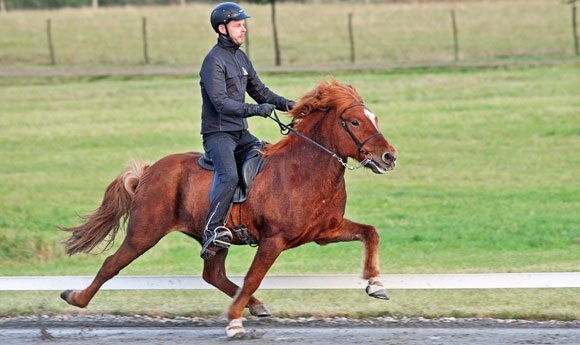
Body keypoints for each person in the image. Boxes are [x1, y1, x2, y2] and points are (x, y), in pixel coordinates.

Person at [199, 2, 295, 260]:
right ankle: (211, 231)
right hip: (218, 135)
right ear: (222, 28)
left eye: (244, 25)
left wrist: (290, 105)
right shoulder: (213, 62)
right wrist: (256, 110)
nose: (243, 30)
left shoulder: (240, 58)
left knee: (269, 160)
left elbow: (261, 91)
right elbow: (221, 103)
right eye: (238, 25)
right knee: (228, 176)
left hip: (241, 134)